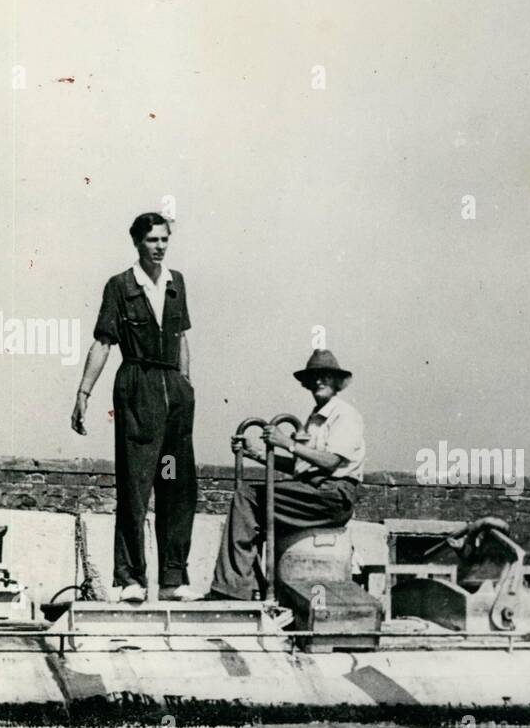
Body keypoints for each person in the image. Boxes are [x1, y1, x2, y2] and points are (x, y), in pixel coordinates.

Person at [71, 213, 198, 602]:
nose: (159, 247)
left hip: (173, 397)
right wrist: (83, 393)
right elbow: (103, 343)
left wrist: (186, 386)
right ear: (137, 243)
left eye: (164, 240)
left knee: (174, 482)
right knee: (135, 484)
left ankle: (173, 579)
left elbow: (183, 340)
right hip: (137, 391)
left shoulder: (177, 284)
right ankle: (131, 579)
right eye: (151, 240)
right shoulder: (120, 286)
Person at [210, 349, 364, 601]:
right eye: (314, 377)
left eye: (325, 376)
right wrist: (257, 454)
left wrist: (286, 442)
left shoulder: (344, 415)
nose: (319, 382)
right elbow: (302, 466)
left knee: (247, 498)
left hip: (333, 495)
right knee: (250, 504)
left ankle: (232, 590)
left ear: (337, 382)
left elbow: (330, 461)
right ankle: (251, 587)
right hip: (315, 491)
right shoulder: (315, 418)